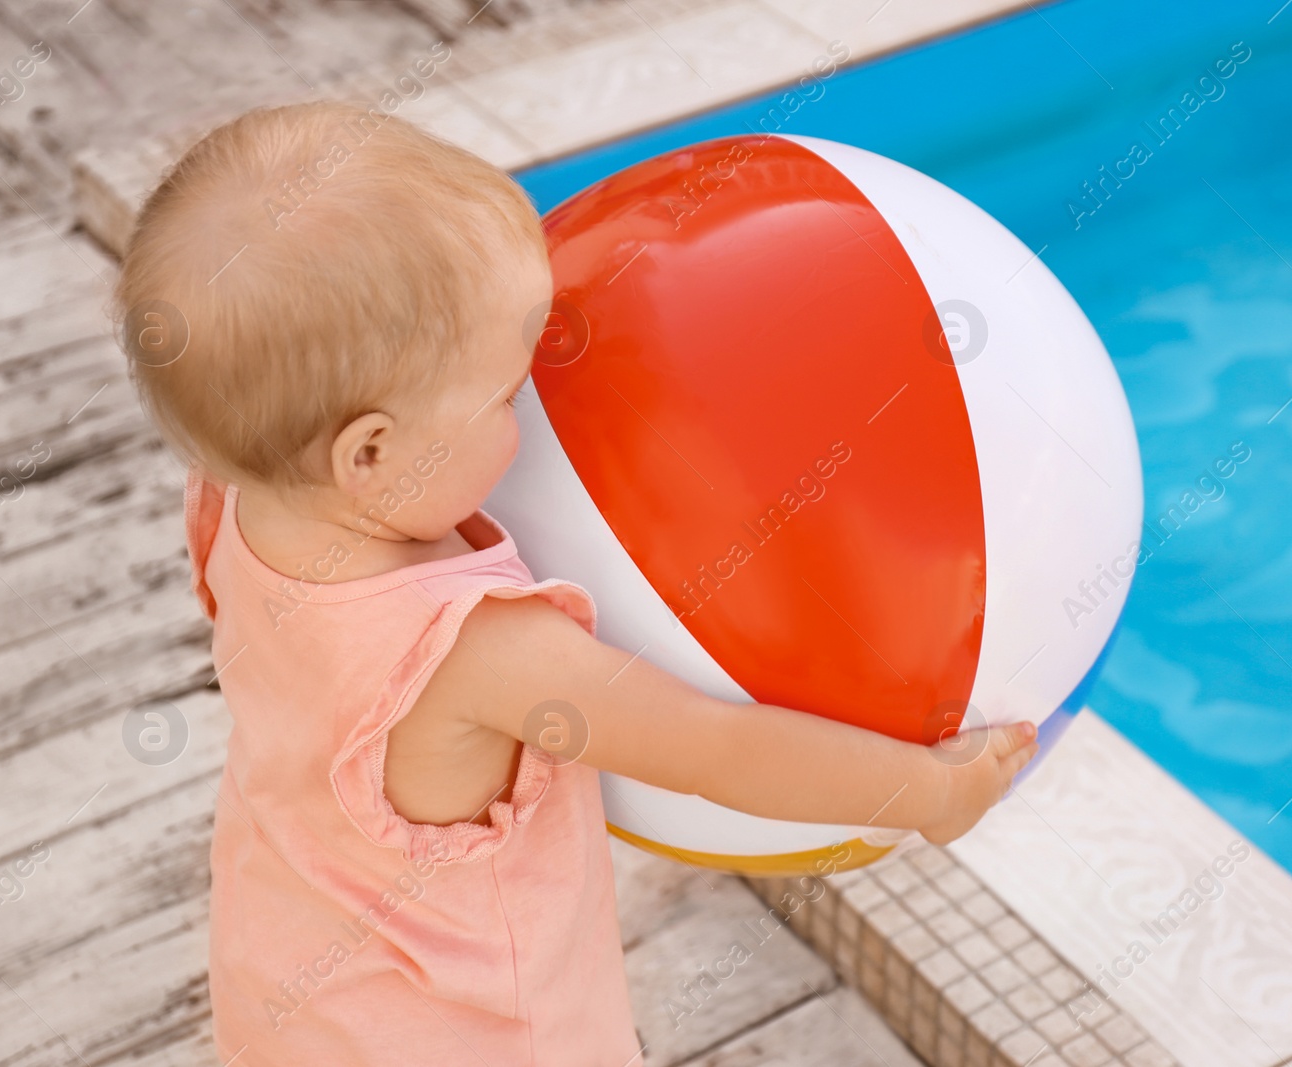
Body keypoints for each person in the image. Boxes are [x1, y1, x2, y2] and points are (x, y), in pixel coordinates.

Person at [113, 100, 1038, 1067]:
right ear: (372, 454)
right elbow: (723, 747)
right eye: (509, 394)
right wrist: (926, 792)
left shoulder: (237, 496)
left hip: (294, 995)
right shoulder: (481, 651)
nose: (538, 412)